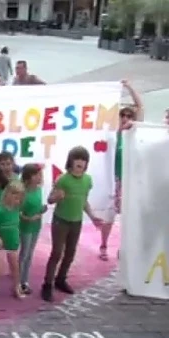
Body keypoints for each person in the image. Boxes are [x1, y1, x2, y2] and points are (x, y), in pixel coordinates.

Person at [42, 146, 102, 302]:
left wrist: (93, 216)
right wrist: (57, 197)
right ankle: (47, 284)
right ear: (71, 161)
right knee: (57, 252)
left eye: (84, 159)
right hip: (60, 220)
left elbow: (84, 201)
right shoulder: (63, 179)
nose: (80, 162)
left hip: (76, 221)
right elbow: (49, 199)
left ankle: (60, 279)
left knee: (70, 253)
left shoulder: (88, 180)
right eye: (78, 159)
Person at [108, 80, 143, 261]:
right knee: (116, 214)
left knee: (131, 215)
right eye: (123, 116)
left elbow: (139, 106)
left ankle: (127, 247)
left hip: (134, 179)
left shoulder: (136, 131)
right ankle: (107, 244)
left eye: (129, 116)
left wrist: (129, 87)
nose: (126, 119)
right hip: (118, 178)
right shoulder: (116, 134)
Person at [0, 181, 26, 302]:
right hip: (1, 246)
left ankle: (16, 287)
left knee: (15, 268)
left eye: (19, 198)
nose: (16, 200)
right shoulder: (0, 211)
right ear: (7, 194)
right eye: (14, 196)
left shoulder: (16, 209)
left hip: (13, 244)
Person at [18, 163, 46, 295]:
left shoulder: (39, 190)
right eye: (36, 174)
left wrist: (42, 210)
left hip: (36, 225)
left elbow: (38, 208)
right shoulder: (22, 192)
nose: (39, 177)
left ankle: (25, 280)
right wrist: (27, 218)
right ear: (28, 177)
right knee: (24, 254)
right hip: (25, 227)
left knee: (29, 254)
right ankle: (18, 281)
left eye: (40, 174)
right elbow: (16, 210)